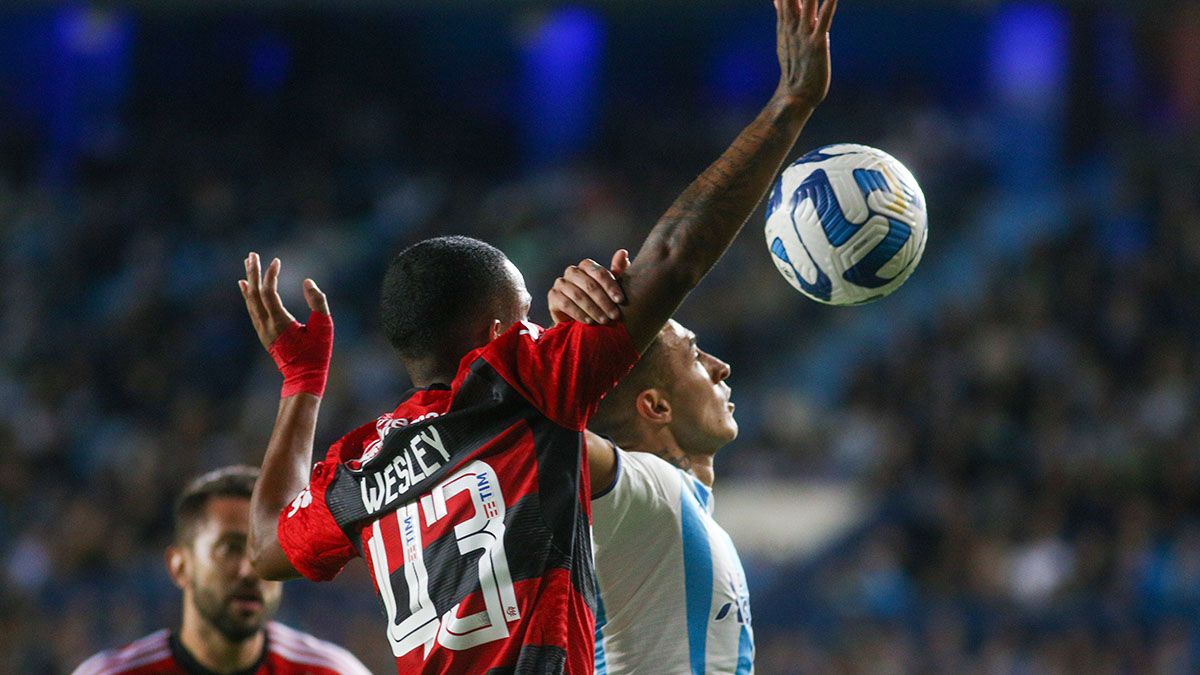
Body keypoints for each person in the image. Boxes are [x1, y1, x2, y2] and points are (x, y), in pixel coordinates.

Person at [236, 0, 836, 671]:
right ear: (497, 334)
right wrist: (790, 104)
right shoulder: (519, 391)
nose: (544, 327)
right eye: (530, 317)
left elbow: (263, 540)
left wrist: (302, 383)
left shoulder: (359, 470)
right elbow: (675, 259)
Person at [73, 466, 371, 675]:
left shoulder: (331, 671)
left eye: (265, 550)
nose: (250, 570)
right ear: (179, 566)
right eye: (229, 549)